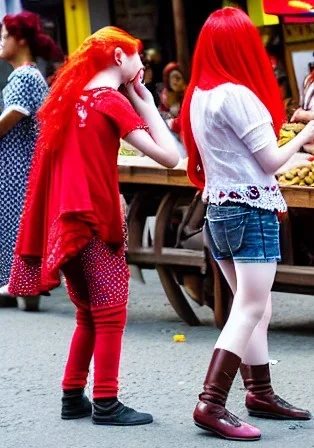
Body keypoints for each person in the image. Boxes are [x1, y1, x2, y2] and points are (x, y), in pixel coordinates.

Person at [2, 27, 181, 425]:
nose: (141, 63)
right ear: (119, 58)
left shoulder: (67, 100)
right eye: (136, 55)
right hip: (96, 219)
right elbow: (170, 156)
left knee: (88, 311)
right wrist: (147, 102)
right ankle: (106, 400)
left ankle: (73, 395)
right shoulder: (110, 102)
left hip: (64, 222)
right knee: (111, 312)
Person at [181, 7, 314, 441]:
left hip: (220, 210)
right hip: (250, 209)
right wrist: (305, 135)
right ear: (244, 47)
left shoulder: (200, 95)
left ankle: (259, 392)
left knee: (255, 305)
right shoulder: (237, 94)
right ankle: (211, 402)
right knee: (250, 308)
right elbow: (271, 160)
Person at [0, 11, 63, 309]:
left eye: (3, 37)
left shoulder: (24, 76)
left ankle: (20, 285)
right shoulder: (27, 74)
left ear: (20, 40)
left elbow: (6, 122)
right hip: (21, 164)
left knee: (15, 224)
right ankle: (17, 285)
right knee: (15, 225)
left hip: (18, 166)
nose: (0, 43)